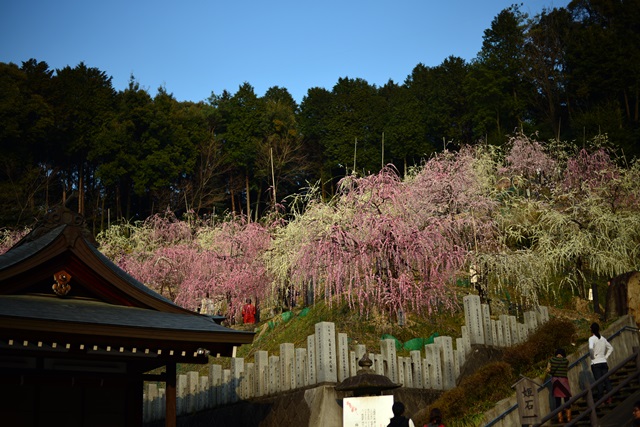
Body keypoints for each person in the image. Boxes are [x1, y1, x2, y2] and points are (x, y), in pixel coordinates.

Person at [588, 322, 614, 404]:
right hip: (603, 362)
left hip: (596, 363)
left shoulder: (591, 339)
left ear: (591, 330)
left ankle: (601, 399)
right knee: (606, 380)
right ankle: (610, 397)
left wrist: (592, 357)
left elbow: (591, 349)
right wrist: (605, 357)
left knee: (599, 381)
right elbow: (611, 348)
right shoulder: (603, 339)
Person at [547, 348, 572, 423]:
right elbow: (566, 369)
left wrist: (552, 372)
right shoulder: (566, 361)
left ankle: (560, 419)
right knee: (566, 399)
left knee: (558, 400)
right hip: (564, 381)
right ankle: (568, 418)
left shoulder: (551, 360)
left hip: (556, 382)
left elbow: (548, 370)